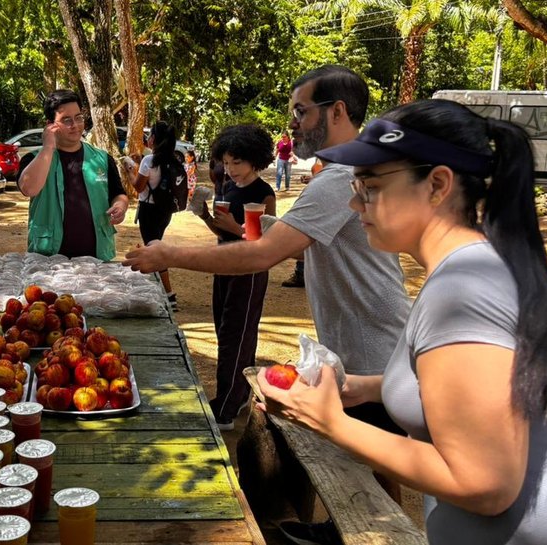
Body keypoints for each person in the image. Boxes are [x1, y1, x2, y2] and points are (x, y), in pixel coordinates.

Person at [258, 99, 547, 544]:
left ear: (437, 185)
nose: (353, 202)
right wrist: (363, 387)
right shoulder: (471, 268)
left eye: (369, 186)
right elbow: (483, 387)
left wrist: (331, 423)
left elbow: (486, 483)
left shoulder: (465, 290)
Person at [124, 65, 409, 435]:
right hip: (364, 352)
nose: (292, 124)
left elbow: (262, 255)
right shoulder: (344, 172)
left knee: (368, 456)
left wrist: (169, 254)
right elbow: (305, 247)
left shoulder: (340, 178)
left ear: (337, 111)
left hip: (373, 354)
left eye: (301, 111)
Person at [193, 124, 275, 430]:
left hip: (248, 271)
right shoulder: (228, 187)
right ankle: (239, 395)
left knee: (235, 337)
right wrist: (204, 215)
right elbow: (221, 231)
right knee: (227, 332)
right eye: (226, 162)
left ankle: (225, 409)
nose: (230, 169)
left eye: (236, 162)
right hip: (225, 266)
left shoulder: (263, 193)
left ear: (255, 160)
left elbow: (265, 241)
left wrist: (233, 227)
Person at [18, 89, 129, 261]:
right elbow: (29, 189)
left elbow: (118, 193)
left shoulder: (102, 159)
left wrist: (120, 206)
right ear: (50, 125)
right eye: (66, 120)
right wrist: (48, 147)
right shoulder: (34, 159)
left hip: (96, 256)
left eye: (78, 117)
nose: (75, 125)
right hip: (48, 258)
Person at [132, 121, 182, 309]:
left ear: (153, 138)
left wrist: (129, 170)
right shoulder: (173, 160)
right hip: (165, 211)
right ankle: (157, 290)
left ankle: (169, 295)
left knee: (153, 250)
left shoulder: (149, 161)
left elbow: (138, 187)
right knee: (154, 244)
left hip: (149, 211)